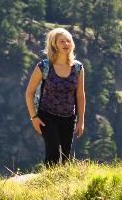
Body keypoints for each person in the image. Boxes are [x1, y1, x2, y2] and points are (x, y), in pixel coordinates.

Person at [24, 28, 86, 166]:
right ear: (54, 44)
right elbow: (29, 93)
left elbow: (80, 95)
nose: (66, 44)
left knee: (65, 157)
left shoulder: (77, 68)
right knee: (53, 153)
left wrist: (81, 120)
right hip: (47, 115)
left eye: (68, 41)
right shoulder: (44, 66)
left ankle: (62, 185)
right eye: (62, 41)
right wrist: (34, 117)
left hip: (69, 117)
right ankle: (48, 183)